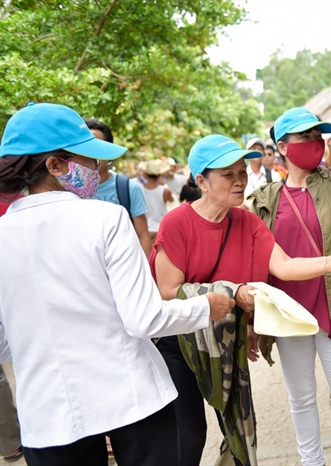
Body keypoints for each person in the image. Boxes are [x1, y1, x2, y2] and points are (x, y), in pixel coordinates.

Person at [0, 102, 235, 465]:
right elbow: (144, 319)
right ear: (54, 165)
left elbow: (4, 345)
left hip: (48, 417)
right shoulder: (105, 219)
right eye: (90, 160)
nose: (98, 169)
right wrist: (207, 306)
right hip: (130, 400)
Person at [151, 133, 331, 466]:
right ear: (201, 181)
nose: (239, 181)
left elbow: (284, 265)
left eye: (241, 172)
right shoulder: (177, 223)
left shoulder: (247, 222)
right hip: (182, 343)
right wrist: (229, 292)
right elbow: (168, 293)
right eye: (228, 175)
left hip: (225, 341)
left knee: (240, 431)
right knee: (189, 436)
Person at [249, 107, 331, 466]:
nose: (314, 143)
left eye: (317, 136)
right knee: (302, 399)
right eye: (304, 137)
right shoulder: (264, 198)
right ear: (282, 146)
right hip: (289, 314)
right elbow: (256, 261)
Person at [86, 119, 153, 256]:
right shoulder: (67, 189)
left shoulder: (128, 187)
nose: (90, 155)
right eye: (86, 148)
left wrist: (148, 274)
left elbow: (143, 236)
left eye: (97, 147)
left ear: (107, 151)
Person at [143, 159, 175, 239]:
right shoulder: (165, 191)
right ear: (160, 174)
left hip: (145, 229)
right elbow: (172, 200)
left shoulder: (139, 190)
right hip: (161, 229)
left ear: (145, 174)